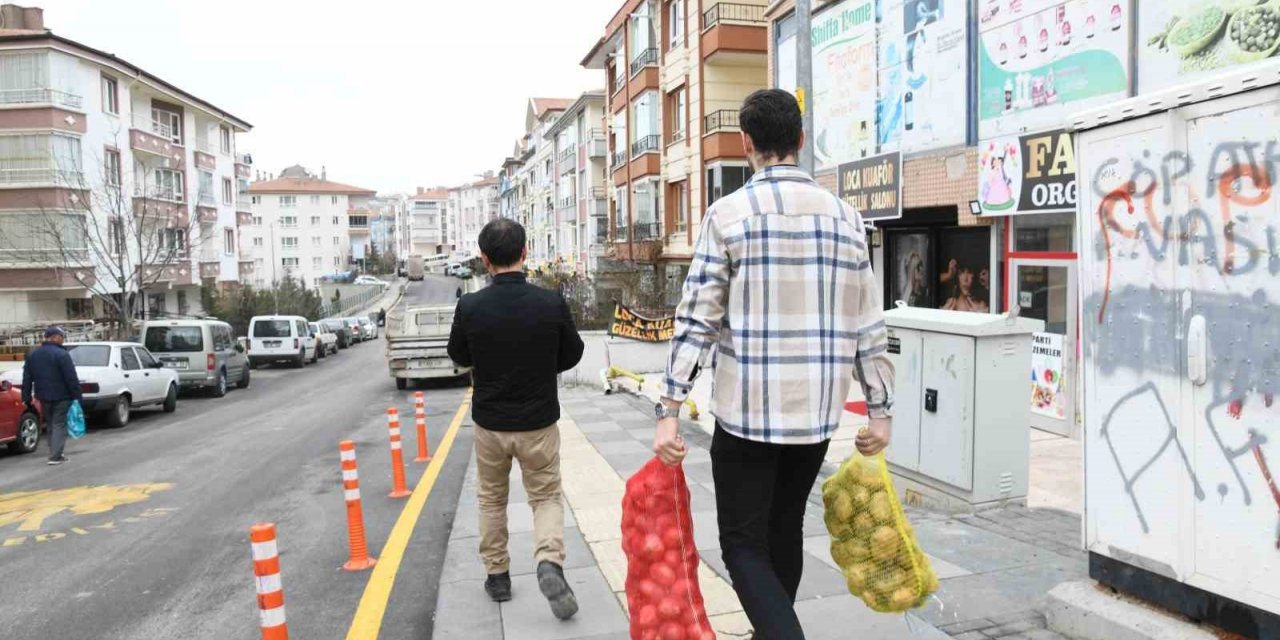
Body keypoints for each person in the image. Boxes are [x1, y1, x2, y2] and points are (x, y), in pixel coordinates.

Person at [654, 89, 896, 639]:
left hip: (746, 417)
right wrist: (880, 410)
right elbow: (868, 324)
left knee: (742, 544)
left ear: (747, 145)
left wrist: (669, 407)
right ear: (801, 140)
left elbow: (697, 320)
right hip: (815, 416)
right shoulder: (847, 218)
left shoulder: (728, 215)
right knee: (784, 531)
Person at [447, 218, 585, 620]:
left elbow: (459, 355)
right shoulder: (550, 303)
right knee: (544, 496)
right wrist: (545, 366)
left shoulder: (470, 306)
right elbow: (572, 353)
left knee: (492, 498)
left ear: (485, 260)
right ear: (525, 253)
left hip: (490, 424)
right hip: (539, 421)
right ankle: (549, 561)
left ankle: (498, 576)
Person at [21, 326, 82, 466]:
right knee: (59, 424)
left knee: (50, 424)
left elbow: (27, 378)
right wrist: (77, 396)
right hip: (62, 395)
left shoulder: (33, 355)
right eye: (62, 337)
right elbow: (71, 377)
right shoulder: (62, 354)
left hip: (43, 396)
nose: (63, 340)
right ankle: (55, 457)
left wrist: (26, 397)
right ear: (55, 337)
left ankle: (55, 453)